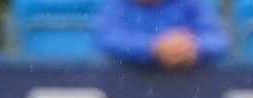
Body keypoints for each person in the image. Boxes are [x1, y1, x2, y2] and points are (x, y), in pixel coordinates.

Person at [95, 0, 228, 69]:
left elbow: (218, 41)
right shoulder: (118, 3)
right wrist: (152, 48)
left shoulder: (190, 2)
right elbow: (106, 37)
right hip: (126, 91)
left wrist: (190, 47)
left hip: (186, 91)